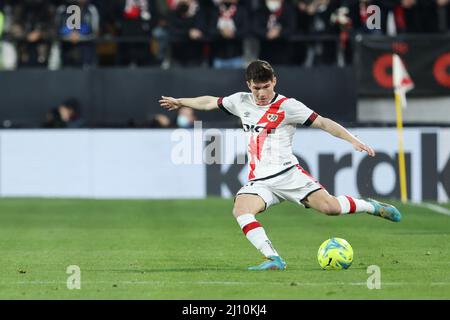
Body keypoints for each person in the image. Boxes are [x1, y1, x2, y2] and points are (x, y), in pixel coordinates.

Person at [159, 60, 402, 271]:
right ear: (248, 85)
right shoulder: (240, 101)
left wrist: (353, 140)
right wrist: (181, 102)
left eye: (266, 87)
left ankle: (370, 206)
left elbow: (325, 123)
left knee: (330, 208)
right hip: (261, 181)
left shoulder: (289, 106)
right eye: (257, 88)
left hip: (289, 175)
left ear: (274, 81)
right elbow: (210, 101)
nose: (262, 92)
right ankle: (273, 258)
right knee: (241, 209)